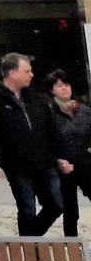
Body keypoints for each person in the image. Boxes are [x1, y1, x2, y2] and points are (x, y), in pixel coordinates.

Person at [0, 52, 73, 236]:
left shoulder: (37, 99)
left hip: (45, 162)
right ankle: (30, 251)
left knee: (57, 204)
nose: (32, 74)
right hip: (17, 166)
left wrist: (63, 156)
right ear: (13, 73)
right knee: (27, 209)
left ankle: (29, 238)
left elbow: (52, 130)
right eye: (27, 71)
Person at [50, 70, 91, 235]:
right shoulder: (49, 113)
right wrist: (57, 160)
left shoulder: (85, 111)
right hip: (64, 168)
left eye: (67, 85)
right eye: (60, 85)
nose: (65, 88)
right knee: (70, 208)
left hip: (87, 164)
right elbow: (45, 143)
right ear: (52, 90)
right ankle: (71, 243)